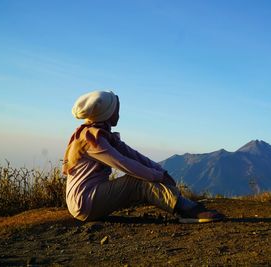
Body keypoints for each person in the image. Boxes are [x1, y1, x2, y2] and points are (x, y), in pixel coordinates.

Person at [62, 90, 223, 223]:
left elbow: (133, 155)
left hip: (89, 198)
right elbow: (124, 164)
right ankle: (185, 210)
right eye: (116, 108)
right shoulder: (92, 140)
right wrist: (158, 176)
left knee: (142, 178)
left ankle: (184, 205)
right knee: (136, 182)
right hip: (83, 203)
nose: (119, 111)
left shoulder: (102, 134)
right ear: (107, 112)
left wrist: (161, 172)